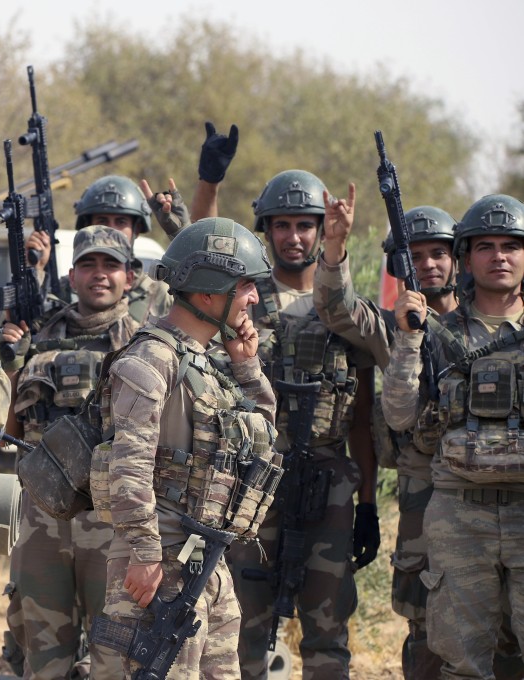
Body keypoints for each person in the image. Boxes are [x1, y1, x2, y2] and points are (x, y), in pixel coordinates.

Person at [89, 216, 279, 678]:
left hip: (205, 564)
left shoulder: (210, 364)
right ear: (211, 292)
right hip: (160, 566)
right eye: (246, 285)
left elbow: (264, 444)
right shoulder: (151, 360)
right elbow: (128, 465)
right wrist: (146, 551)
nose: (253, 298)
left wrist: (247, 368)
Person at [226, 171, 389, 679]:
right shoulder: (243, 305)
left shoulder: (344, 312)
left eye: (304, 225)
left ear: (321, 232)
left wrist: (367, 507)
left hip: (328, 486)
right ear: (266, 230)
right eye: (282, 225)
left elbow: (361, 418)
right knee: (241, 625)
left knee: (327, 628)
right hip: (253, 481)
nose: (293, 236)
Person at [382, 194, 524, 679]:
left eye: (511, 245)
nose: (499, 256)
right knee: (461, 663)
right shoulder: (438, 333)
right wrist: (407, 340)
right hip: (460, 516)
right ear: (467, 258)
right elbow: (401, 415)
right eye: (486, 246)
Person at [0, 225, 140, 679]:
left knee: (115, 660)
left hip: (113, 524)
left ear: (129, 278)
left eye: (110, 265)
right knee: (42, 661)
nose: (99, 275)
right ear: (72, 275)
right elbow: (6, 432)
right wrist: (10, 364)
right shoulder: (35, 338)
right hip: (43, 524)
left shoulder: (146, 343)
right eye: (88, 265)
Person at [28, 121, 239, 323]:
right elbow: (22, 332)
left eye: (120, 221)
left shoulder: (160, 295)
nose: (110, 230)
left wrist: (184, 232)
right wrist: (35, 270)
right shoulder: (65, 291)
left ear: (137, 230)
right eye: (102, 221)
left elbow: (209, 292)